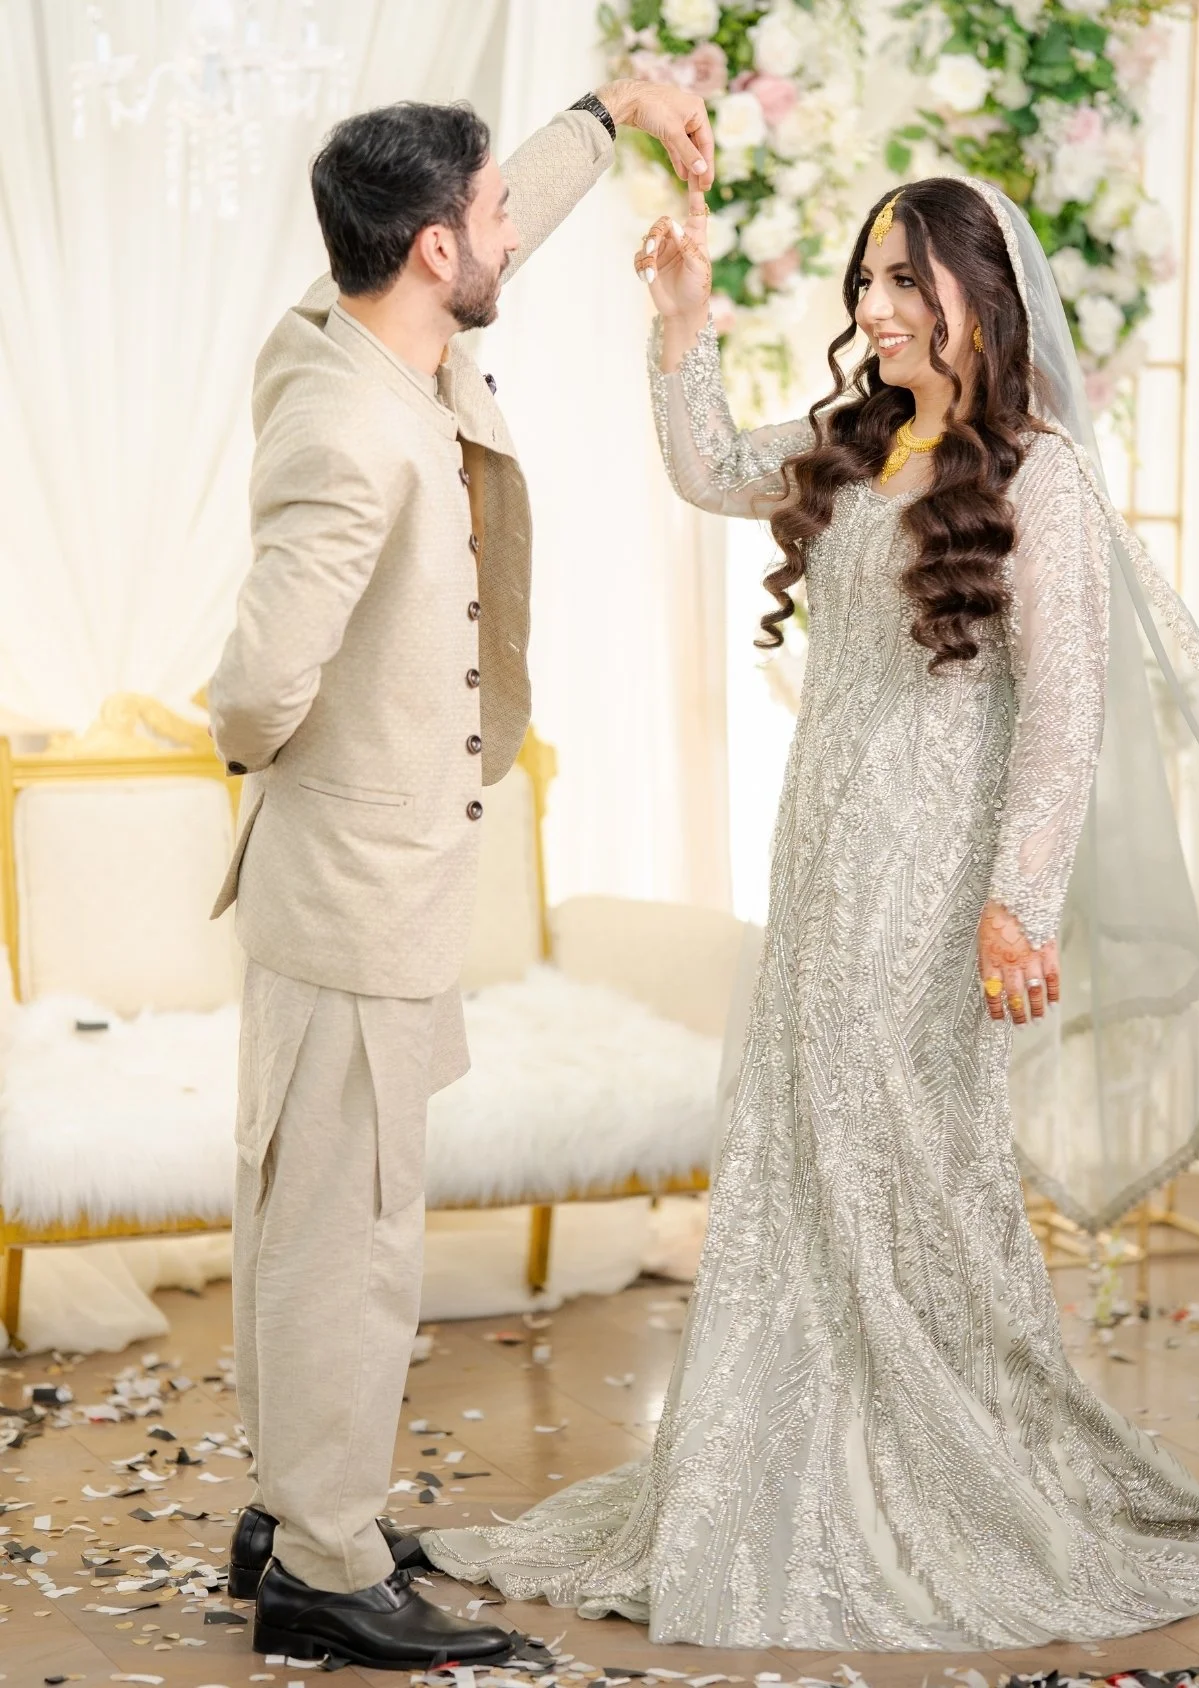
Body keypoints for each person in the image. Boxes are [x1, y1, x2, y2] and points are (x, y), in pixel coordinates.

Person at [418, 175, 1199, 1649]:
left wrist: (1015, 908)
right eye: (867, 280)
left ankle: (947, 1471)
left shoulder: (1039, 480)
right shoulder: (852, 443)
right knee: (804, 1142)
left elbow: (1061, 716)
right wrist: (680, 321)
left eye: (909, 282)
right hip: (822, 849)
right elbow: (710, 466)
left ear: (980, 290)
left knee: (908, 1155)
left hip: (936, 871)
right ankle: (790, 1461)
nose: (878, 308)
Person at [206, 83, 715, 1672]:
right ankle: (325, 1567)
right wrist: (340, 767)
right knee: (351, 1241)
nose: (510, 235)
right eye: (491, 218)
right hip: (354, 887)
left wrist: (604, 118)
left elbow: (504, 221)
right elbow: (250, 692)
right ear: (431, 249)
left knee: (320, 1214)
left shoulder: (349, 320)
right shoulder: (353, 431)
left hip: (368, 884)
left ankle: (295, 1511)